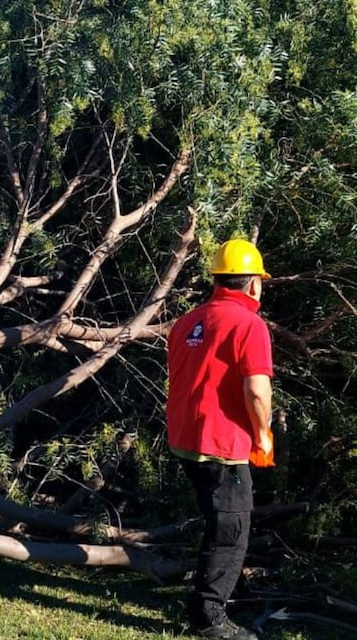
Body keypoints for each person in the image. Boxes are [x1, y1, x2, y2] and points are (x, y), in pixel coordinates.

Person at [166, 239, 274, 640]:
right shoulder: (250, 325)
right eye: (261, 281)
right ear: (252, 285)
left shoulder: (187, 321)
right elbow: (257, 391)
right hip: (223, 446)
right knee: (230, 528)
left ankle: (215, 595)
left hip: (185, 439)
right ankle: (209, 618)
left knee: (217, 522)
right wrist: (263, 436)